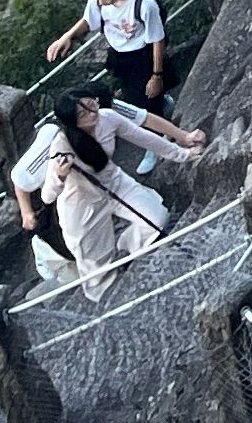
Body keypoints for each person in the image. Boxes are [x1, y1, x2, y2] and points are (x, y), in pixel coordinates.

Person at [10, 87, 199, 282]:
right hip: (66, 196)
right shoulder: (55, 139)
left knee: (156, 219)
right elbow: (20, 178)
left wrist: (183, 138)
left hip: (106, 184)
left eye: (94, 105)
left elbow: (143, 122)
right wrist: (27, 213)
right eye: (85, 112)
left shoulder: (105, 111)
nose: (94, 114)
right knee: (79, 256)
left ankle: (121, 246)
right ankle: (44, 249)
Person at [47, 0, 171, 117]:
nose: (101, 2)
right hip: (119, 56)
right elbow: (88, 20)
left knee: (149, 101)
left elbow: (157, 40)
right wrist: (67, 36)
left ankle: (163, 128)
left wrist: (156, 75)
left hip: (143, 57)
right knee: (135, 99)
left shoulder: (145, 4)